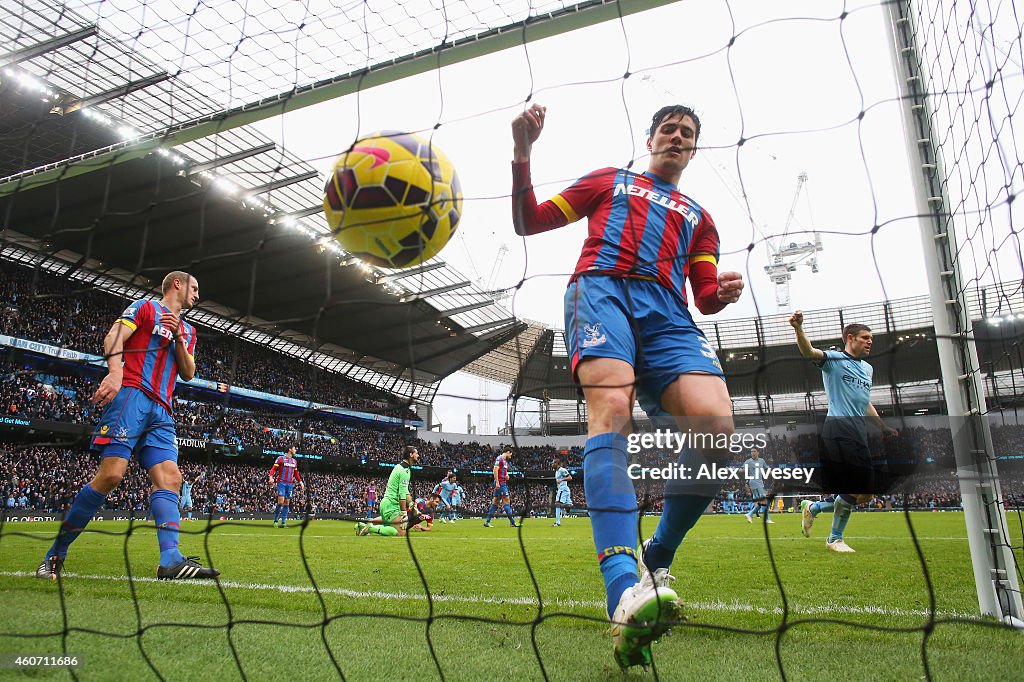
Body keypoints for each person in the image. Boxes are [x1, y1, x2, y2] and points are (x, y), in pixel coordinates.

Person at [512, 102, 744, 668]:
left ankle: (656, 554)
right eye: (669, 128)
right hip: (601, 291)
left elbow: (706, 293)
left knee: (717, 429)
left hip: (669, 313)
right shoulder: (607, 181)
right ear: (650, 137)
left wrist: (724, 291)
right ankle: (621, 589)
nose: (678, 136)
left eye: (688, 132)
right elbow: (530, 220)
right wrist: (523, 153)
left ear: (694, 149)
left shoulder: (699, 216)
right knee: (612, 409)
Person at [36, 272, 220, 581]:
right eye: (195, 288)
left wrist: (177, 338)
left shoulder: (188, 330)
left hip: (163, 410)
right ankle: (54, 554)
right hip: (132, 396)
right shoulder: (145, 308)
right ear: (177, 284)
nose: (197, 295)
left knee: (171, 479)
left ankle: (171, 560)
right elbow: (113, 338)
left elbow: (187, 372)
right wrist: (115, 372)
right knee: (111, 475)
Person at [789, 310, 898, 553]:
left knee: (866, 495)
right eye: (865, 337)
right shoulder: (835, 360)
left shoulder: (868, 369)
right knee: (855, 488)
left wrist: (882, 426)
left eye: (871, 338)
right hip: (838, 429)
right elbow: (809, 353)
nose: (870, 341)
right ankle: (834, 539)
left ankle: (813, 508)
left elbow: (865, 401)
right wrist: (798, 328)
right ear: (850, 338)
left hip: (859, 433)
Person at [356, 446, 424, 537]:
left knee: (393, 527)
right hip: (391, 506)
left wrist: (411, 505)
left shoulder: (400, 467)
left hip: (387, 504)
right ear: (411, 455)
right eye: (416, 453)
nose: (418, 455)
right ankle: (370, 528)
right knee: (400, 533)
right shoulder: (404, 471)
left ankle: (363, 525)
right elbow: (402, 494)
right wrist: (404, 513)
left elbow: (405, 491)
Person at [269, 445, 305, 528]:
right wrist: (271, 477)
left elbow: (296, 473)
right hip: (281, 483)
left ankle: (283, 522)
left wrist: (301, 482)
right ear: (290, 449)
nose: (295, 450)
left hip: (290, 484)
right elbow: (273, 469)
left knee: (287, 503)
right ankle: (276, 520)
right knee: (281, 501)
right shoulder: (281, 458)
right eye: (294, 449)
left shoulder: (294, 461)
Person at [483, 449, 517, 527]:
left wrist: (507, 475)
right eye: (510, 455)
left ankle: (487, 522)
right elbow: (495, 469)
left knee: (495, 502)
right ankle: (512, 522)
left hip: (502, 482)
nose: (510, 457)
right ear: (508, 452)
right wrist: (497, 482)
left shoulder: (504, 461)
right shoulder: (500, 458)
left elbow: (503, 470)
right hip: (501, 483)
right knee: (506, 500)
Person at [743, 447, 773, 524]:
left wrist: (773, 474)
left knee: (759, 503)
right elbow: (742, 469)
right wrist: (742, 470)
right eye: (751, 451)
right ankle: (766, 519)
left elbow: (766, 468)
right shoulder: (748, 461)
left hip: (758, 482)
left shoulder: (761, 461)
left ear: (758, 452)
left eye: (754, 451)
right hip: (754, 481)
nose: (752, 453)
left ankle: (749, 514)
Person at [552, 457, 573, 527]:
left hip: (562, 489)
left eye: (553, 463)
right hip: (564, 490)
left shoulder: (562, 470)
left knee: (557, 504)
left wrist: (562, 480)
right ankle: (589, 510)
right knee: (569, 505)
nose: (552, 464)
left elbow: (570, 477)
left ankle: (557, 523)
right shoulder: (556, 471)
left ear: (557, 463)